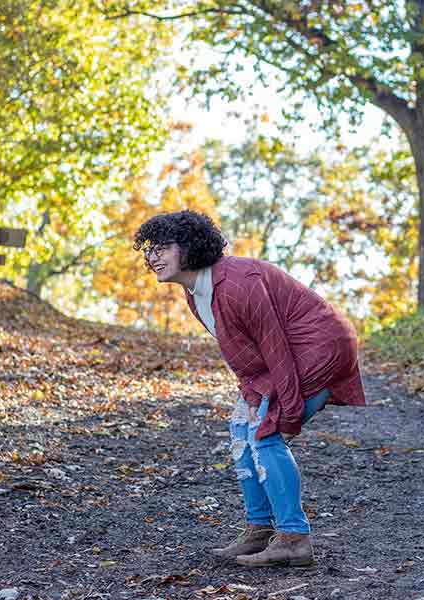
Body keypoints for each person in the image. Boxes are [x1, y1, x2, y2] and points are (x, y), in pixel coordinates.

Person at [133, 209, 366, 568]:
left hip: (319, 349)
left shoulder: (238, 282)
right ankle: (259, 530)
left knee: (265, 434)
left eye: (163, 247)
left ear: (191, 247)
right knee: (241, 429)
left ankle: (293, 538)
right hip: (288, 356)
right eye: (150, 249)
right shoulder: (197, 294)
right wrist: (251, 394)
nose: (153, 257)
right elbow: (245, 355)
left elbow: (275, 347)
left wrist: (285, 411)